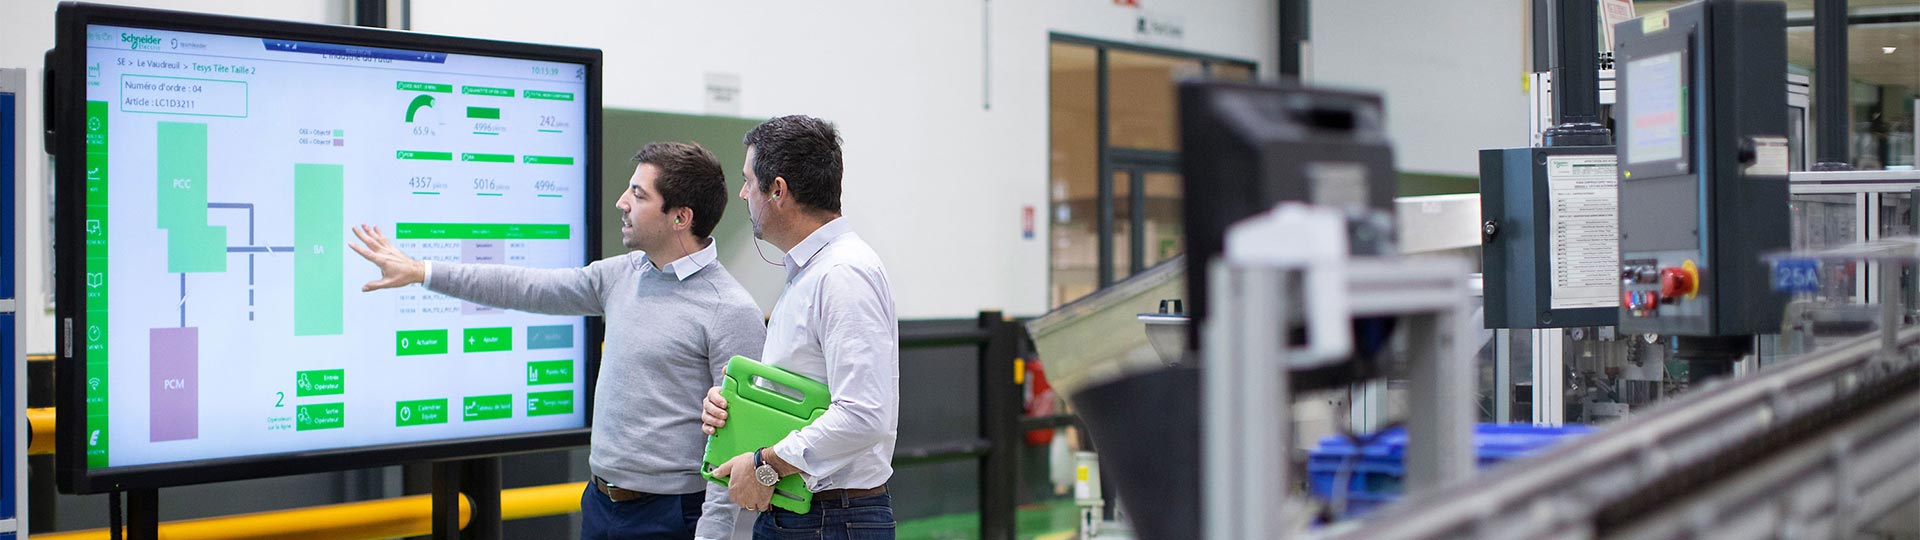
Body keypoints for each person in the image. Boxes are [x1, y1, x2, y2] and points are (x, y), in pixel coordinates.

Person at [350, 142, 764, 540]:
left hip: (672, 516)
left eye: (638, 195)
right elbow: (526, 286)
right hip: (600, 503)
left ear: (680, 217)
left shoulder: (728, 310)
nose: (622, 202)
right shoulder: (623, 274)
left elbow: (736, 445)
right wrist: (422, 271)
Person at [703, 115, 900, 538]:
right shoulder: (810, 271)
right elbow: (808, 391)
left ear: (777, 190)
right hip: (804, 514)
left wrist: (765, 465)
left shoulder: (843, 274)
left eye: (747, 181)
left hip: (831, 519)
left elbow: (864, 415)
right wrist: (735, 410)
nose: (742, 193)